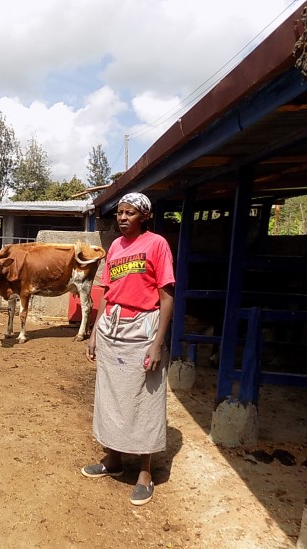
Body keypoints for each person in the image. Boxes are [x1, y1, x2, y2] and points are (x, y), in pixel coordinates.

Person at [81, 192, 175, 506]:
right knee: (110, 395)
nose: (122, 218)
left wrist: (158, 343)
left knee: (144, 398)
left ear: (144, 216)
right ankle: (114, 459)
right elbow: (107, 292)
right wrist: (94, 331)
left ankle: (145, 472)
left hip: (142, 330)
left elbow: (166, 297)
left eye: (130, 213)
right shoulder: (115, 248)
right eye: (120, 213)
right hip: (112, 328)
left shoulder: (157, 244)